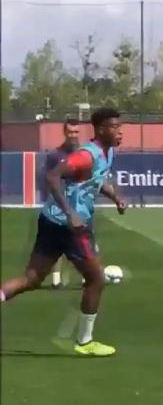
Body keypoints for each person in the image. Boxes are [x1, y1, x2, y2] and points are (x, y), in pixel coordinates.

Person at [0, 108, 127, 357]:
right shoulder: (86, 156)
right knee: (96, 279)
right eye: (114, 126)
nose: (119, 131)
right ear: (101, 129)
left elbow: (96, 181)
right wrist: (71, 213)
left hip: (50, 221)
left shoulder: (107, 152)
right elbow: (53, 175)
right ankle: (85, 341)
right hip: (72, 227)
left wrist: (116, 197)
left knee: (32, 279)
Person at [44, 119, 82, 289]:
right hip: (59, 203)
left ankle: (85, 276)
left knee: (81, 240)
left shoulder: (84, 153)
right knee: (58, 242)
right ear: (65, 133)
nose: (73, 135)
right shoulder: (55, 155)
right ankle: (56, 280)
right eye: (70, 132)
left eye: (76, 132)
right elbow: (50, 179)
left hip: (80, 203)